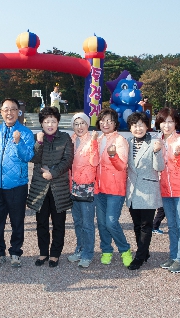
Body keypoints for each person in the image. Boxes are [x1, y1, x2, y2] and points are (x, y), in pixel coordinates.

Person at [0, 98, 35, 268]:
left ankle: (16, 252)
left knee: (17, 221)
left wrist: (18, 142)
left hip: (17, 185)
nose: (9, 113)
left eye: (13, 109)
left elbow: (28, 157)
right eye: (6, 109)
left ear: (18, 112)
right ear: (1, 112)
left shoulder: (26, 133)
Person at [27, 106, 74, 268]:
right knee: (41, 223)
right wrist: (39, 142)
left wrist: (52, 173)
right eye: (46, 121)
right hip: (40, 188)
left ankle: (55, 254)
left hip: (59, 187)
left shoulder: (65, 138)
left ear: (58, 122)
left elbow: (68, 161)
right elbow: (33, 158)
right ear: (41, 123)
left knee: (59, 223)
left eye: (53, 121)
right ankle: (43, 252)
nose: (50, 124)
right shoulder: (36, 137)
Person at [156, 107, 180, 273]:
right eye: (164, 121)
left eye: (170, 121)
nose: (167, 125)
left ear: (176, 123)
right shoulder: (158, 141)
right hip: (165, 189)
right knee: (171, 225)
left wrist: (178, 155)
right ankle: (173, 256)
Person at [125, 112, 164, 270]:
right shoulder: (127, 142)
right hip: (133, 190)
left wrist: (157, 152)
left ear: (147, 126)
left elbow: (159, 167)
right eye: (134, 125)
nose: (138, 128)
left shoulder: (155, 142)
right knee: (136, 225)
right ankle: (144, 251)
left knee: (146, 225)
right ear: (130, 128)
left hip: (148, 188)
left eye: (141, 124)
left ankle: (139, 257)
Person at [95, 108, 133, 267]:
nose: (106, 123)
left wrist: (113, 156)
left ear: (115, 123)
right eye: (103, 120)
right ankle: (106, 250)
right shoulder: (97, 139)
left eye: (110, 120)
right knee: (102, 223)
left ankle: (125, 250)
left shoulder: (120, 140)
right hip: (99, 187)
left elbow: (122, 165)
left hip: (115, 188)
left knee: (111, 222)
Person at [68, 113, 99, 268]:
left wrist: (93, 142)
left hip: (87, 186)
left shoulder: (93, 140)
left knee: (87, 223)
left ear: (88, 124)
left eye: (82, 123)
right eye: (76, 124)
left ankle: (88, 253)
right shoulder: (72, 140)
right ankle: (79, 249)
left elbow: (94, 161)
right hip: (73, 186)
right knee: (77, 221)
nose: (79, 127)